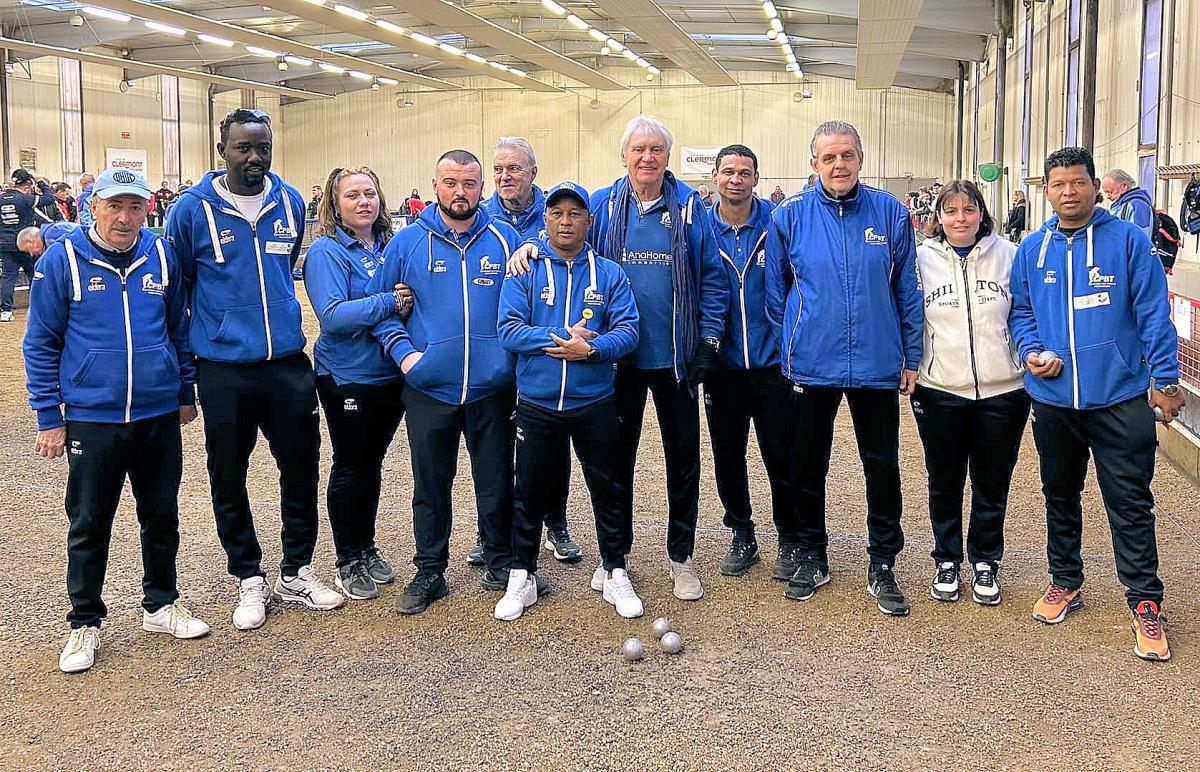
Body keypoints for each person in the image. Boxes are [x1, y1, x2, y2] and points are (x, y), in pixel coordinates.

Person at [508, 115, 728, 601]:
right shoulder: (605, 204)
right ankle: (617, 560)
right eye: (638, 149)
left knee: (683, 463)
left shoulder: (690, 208)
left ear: (667, 157)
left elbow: (713, 278)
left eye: (656, 149)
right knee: (614, 465)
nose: (647, 157)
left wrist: (709, 340)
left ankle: (681, 557)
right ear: (624, 156)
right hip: (615, 361)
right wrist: (530, 245)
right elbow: (565, 232)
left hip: (674, 361)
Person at [23, 167, 209, 674]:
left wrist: (184, 391)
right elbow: (41, 343)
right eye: (114, 206)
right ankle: (84, 621)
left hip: (157, 413)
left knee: (161, 515)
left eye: (134, 207)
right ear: (94, 207)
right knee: (89, 522)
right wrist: (48, 417)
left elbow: (178, 329)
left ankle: (160, 604)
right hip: (93, 418)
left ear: (147, 209)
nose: (125, 218)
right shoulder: (63, 260)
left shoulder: (162, 253)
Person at [165, 108, 342, 631]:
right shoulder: (190, 210)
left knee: (302, 466)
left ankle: (297, 569)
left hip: (286, 363)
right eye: (243, 148)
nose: (254, 157)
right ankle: (248, 575)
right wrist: (187, 373)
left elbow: (283, 272)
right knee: (228, 474)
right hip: (223, 367)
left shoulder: (289, 200)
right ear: (222, 150)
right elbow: (179, 290)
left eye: (262, 147)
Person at [1009, 146, 1184, 661]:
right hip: (1054, 401)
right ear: (1046, 191)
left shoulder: (1128, 241)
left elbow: (1153, 313)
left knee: (1130, 503)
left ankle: (1145, 601)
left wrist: (1165, 379)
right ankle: (1065, 580)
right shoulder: (1032, 249)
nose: (1069, 192)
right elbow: (1021, 313)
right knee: (1059, 494)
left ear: (1094, 187)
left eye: (1079, 182)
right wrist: (1031, 351)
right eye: (1059, 184)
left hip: (1120, 398)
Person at [766, 120, 923, 616]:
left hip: (877, 363)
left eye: (847, 155)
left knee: (882, 467)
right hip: (811, 365)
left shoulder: (890, 213)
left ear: (860, 159)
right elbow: (776, 294)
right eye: (829, 157)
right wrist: (793, 346)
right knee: (807, 466)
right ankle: (812, 555)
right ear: (814, 163)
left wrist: (910, 355)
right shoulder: (789, 216)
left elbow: (907, 290)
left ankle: (883, 562)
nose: (839, 165)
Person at [368, 149, 521, 616]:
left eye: (469, 183)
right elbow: (382, 307)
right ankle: (430, 570)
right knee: (431, 484)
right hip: (429, 388)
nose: (460, 192)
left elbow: (526, 301)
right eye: (450, 183)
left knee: (496, 480)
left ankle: (500, 562)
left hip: (491, 389)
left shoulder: (506, 238)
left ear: (482, 187)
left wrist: (507, 362)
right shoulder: (407, 243)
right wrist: (407, 356)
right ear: (434, 186)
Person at [495, 181, 641, 621]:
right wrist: (560, 338)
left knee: (608, 488)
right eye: (557, 213)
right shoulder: (524, 268)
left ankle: (614, 570)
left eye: (575, 214)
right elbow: (508, 330)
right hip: (538, 402)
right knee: (529, 490)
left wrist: (591, 350)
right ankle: (521, 574)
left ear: (588, 221)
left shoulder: (610, 274)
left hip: (593, 401)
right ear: (546, 218)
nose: (565, 221)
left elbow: (629, 331)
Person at [911, 180, 1029, 607]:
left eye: (969, 209)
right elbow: (909, 316)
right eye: (951, 210)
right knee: (944, 480)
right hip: (940, 389)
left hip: (1004, 391)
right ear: (938, 216)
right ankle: (946, 559)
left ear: (982, 213)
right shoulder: (920, 259)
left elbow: (1025, 313)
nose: (960, 218)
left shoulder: (1010, 255)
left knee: (992, 482)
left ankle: (985, 560)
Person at [303, 166, 406, 601]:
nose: (363, 202)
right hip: (347, 377)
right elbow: (333, 316)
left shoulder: (390, 245)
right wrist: (389, 301)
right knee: (350, 464)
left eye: (369, 193)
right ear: (335, 203)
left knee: (371, 463)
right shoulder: (327, 252)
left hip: (389, 375)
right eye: (352, 196)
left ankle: (366, 545)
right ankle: (347, 557)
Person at [481, 136, 581, 566]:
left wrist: (537, 242)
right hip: (496, 355)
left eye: (514, 169)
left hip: (548, 356)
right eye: (498, 169)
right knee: (495, 451)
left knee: (552, 448)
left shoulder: (554, 212)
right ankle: (493, 530)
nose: (505, 176)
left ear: (533, 173)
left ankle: (555, 523)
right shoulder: (481, 216)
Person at [704, 144, 800, 581]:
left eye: (744, 172)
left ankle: (789, 535)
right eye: (728, 172)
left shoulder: (777, 224)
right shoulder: (700, 229)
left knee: (781, 455)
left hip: (771, 365)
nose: (736, 180)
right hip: (721, 367)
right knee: (728, 455)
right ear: (715, 177)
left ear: (756, 179)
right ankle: (741, 532)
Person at [0, 169, 56, 322]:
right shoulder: (25, 199)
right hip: (26, 243)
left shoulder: (1, 198)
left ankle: (6, 311)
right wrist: (40, 181)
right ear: (27, 187)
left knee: (8, 276)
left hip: (5, 244)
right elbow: (49, 198)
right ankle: (35, 307)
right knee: (34, 274)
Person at [1101, 169, 1154, 240]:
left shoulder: (1137, 205)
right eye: (1106, 192)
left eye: (1110, 192)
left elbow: (1141, 238)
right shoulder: (1121, 204)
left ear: (1124, 186)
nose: (1107, 196)